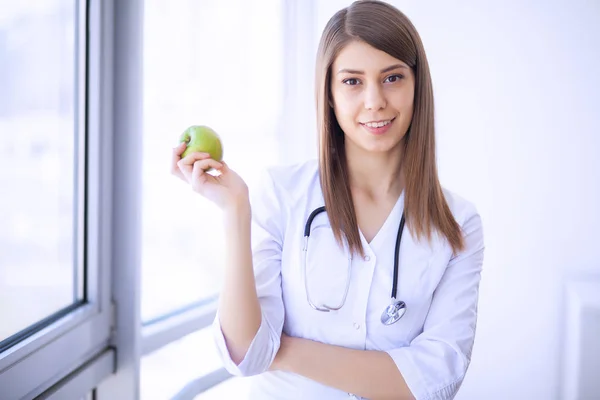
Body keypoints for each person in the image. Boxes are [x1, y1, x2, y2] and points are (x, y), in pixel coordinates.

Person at [171, 1, 485, 399]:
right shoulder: (282, 194)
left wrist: (281, 349)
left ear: (417, 85)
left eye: (392, 78)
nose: (375, 101)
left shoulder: (458, 224)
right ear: (330, 94)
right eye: (353, 81)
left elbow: (436, 380)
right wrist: (235, 211)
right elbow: (246, 355)